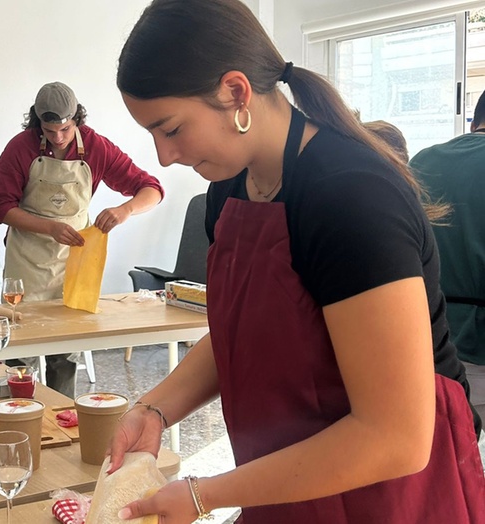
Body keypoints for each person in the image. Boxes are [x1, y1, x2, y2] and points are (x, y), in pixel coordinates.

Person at [109, 0, 485, 522]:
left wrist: (205, 495)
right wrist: (153, 409)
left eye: (170, 129)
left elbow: (396, 436)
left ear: (236, 92)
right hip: (287, 480)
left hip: (392, 493)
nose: (163, 157)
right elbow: (244, 336)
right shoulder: (230, 189)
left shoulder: (351, 196)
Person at [0, 81, 164, 397]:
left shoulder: (96, 147)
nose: (57, 138)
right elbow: (1, 208)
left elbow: (151, 189)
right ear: (37, 122)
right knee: (19, 350)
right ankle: (17, 417)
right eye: (49, 129)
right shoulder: (21, 148)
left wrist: (125, 209)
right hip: (26, 260)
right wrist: (49, 227)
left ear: (77, 121)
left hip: (73, 260)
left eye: (66, 130)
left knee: (66, 350)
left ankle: (61, 417)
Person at [410, 89, 485, 427]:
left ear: (474, 121)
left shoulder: (424, 160)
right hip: (475, 343)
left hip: (431, 345)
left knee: (456, 462)